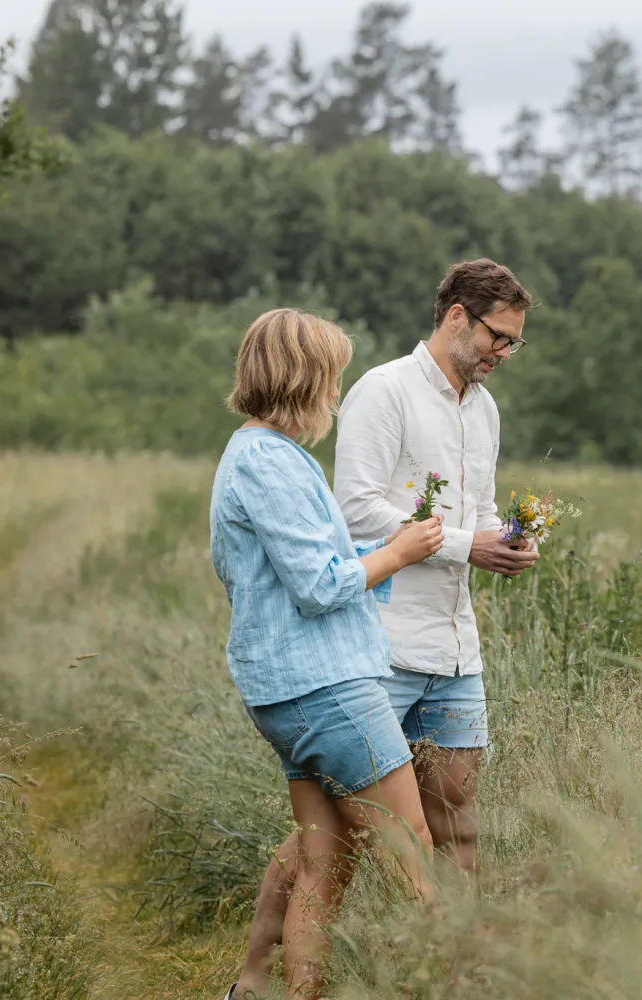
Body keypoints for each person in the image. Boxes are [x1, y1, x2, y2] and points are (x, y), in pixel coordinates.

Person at [231, 260, 540, 985]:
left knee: (458, 825)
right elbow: (356, 513)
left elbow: (476, 516)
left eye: (514, 344)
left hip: (455, 646)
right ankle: (253, 977)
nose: (503, 353)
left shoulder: (484, 411)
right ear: (456, 316)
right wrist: (466, 543)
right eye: (497, 336)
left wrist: (509, 538)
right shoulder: (384, 390)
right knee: (334, 837)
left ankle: (453, 975)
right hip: (381, 645)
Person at [211, 308, 445, 1000]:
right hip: (326, 690)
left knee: (325, 859)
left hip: (290, 689)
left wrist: (388, 550)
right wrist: (398, 552)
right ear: (303, 378)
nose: (336, 395)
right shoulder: (270, 464)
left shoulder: (256, 455)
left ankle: (278, 993)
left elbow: (311, 569)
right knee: (414, 861)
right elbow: (319, 588)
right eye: (332, 377)